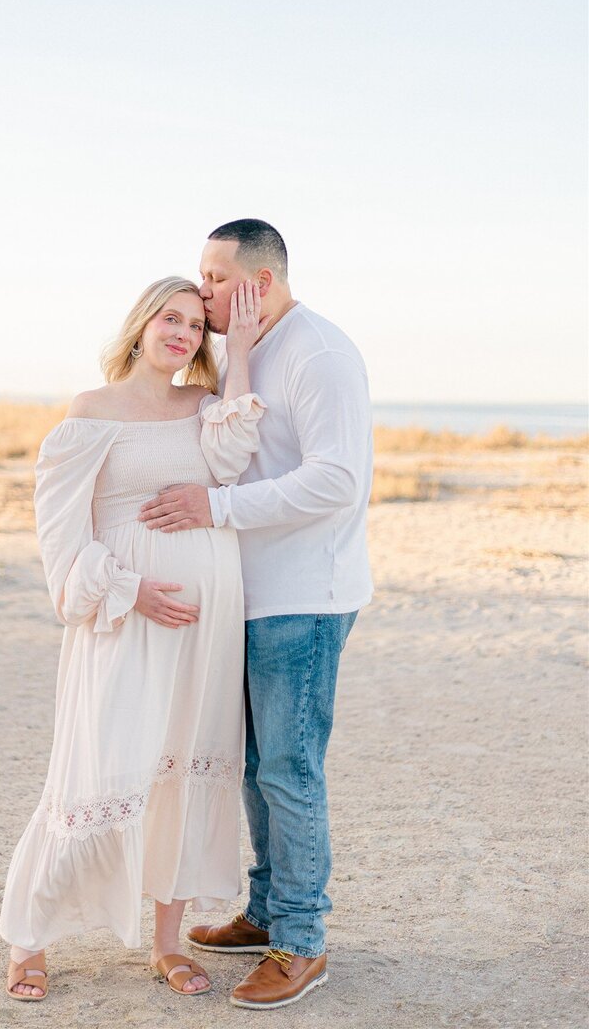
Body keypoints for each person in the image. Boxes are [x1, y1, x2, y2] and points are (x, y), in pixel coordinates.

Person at [0, 275, 267, 1001]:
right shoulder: (92, 411)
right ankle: (29, 940)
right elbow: (61, 537)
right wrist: (130, 590)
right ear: (142, 325)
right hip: (123, 616)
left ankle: (167, 944)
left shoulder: (204, 407)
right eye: (170, 319)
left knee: (184, 768)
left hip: (205, 628)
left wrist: (240, 351)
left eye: (195, 326)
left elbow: (232, 463)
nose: (182, 334)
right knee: (95, 767)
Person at [139, 220, 373, 1010]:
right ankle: (267, 910)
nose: (202, 290)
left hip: (305, 597)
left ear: (260, 282)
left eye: (215, 277)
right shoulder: (249, 348)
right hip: (250, 594)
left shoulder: (319, 353)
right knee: (253, 765)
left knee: (289, 769)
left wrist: (216, 508)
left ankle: (301, 942)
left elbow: (336, 480)